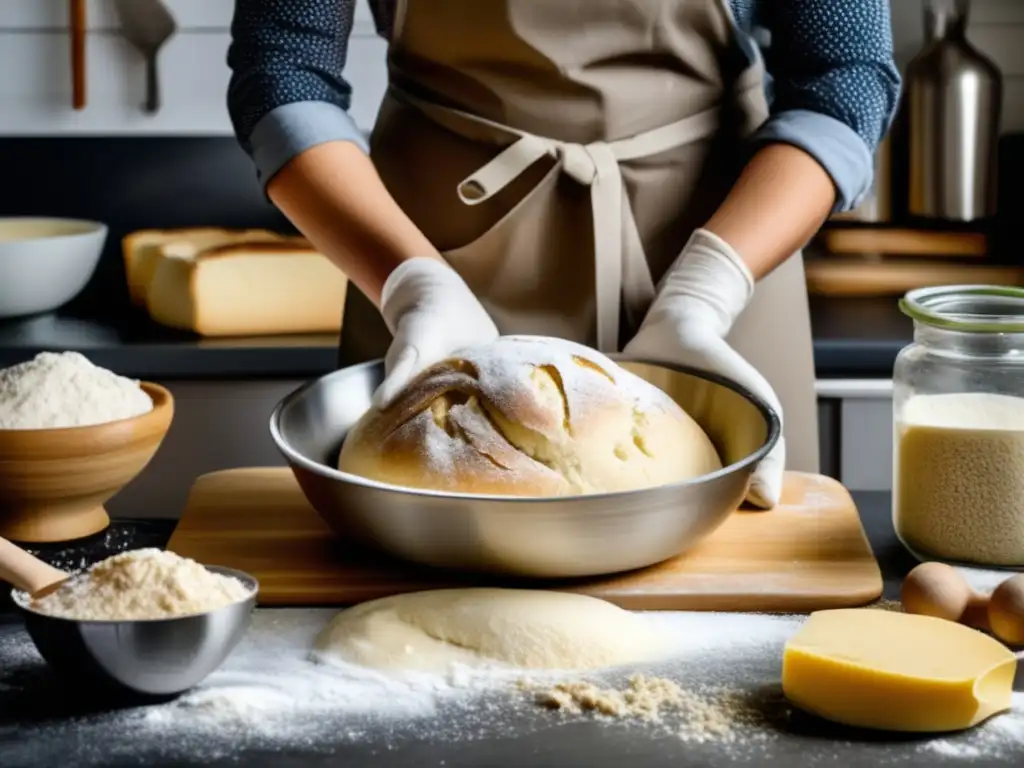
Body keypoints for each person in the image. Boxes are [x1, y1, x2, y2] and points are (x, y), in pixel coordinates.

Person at [227, 0, 900, 509]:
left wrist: (708, 288)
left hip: (726, 253)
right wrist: (411, 284)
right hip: (424, 249)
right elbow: (282, 72)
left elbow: (845, 80)